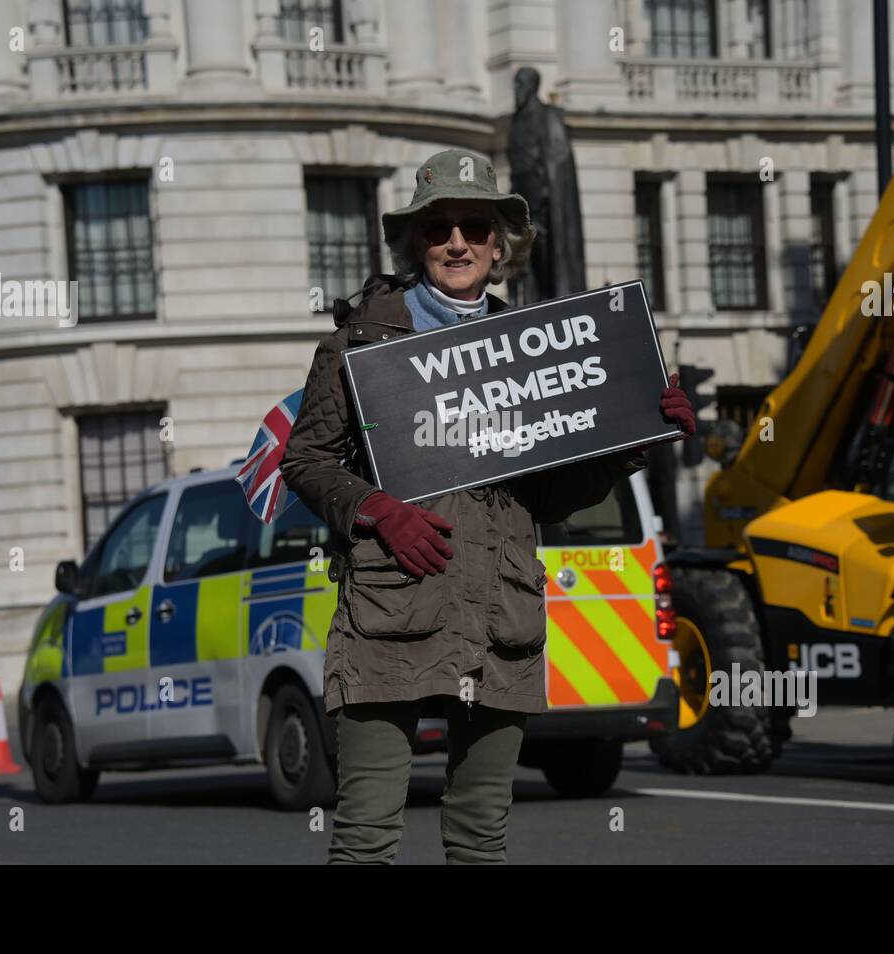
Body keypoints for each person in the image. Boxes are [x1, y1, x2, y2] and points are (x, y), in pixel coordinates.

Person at [279, 147, 695, 864]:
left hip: (501, 617)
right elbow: (305, 461)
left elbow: (549, 494)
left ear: (500, 245)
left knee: (480, 842)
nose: (457, 242)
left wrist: (634, 435)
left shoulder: (534, 352)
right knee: (367, 840)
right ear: (417, 242)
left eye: (475, 226)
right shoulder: (358, 343)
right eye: (439, 228)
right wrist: (378, 509)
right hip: (390, 614)